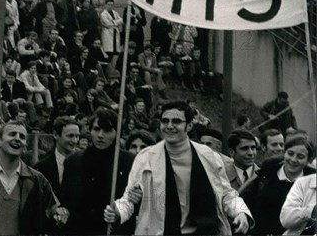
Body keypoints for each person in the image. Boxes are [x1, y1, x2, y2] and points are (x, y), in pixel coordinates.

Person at [104, 100, 253, 235]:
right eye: (165, 121)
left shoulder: (208, 156)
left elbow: (226, 193)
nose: (169, 126)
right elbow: (129, 198)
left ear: (189, 125)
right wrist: (117, 211)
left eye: (176, 121)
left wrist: (240, 212)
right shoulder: (146, 157)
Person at [0, 120, 69, 235]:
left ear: (25, 146)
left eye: (22, 136)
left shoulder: (37, 179)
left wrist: (61, 213)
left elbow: (54, 208)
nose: (17, 139)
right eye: (12, 134)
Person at [62, 107, 135, 235]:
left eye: (107, 130)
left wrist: (118, 213)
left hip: (114, 231)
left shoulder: (129, 162)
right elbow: (67, 200)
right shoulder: (74, 161)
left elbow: (133, 201)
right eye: (96, 129)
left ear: (117, 133)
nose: (100, 135)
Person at [240, 136, 315, 235]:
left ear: (308, 160)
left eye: (300, 157)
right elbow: (243, 199)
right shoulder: (267, 176)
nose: (293, 159)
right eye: (290, 153)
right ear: (284, 153)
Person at [34, 116, 80, 202]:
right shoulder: (42, 166)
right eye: (70, 136)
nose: (75, 141)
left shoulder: (85, 162)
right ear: (55, 135)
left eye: (77, 136)